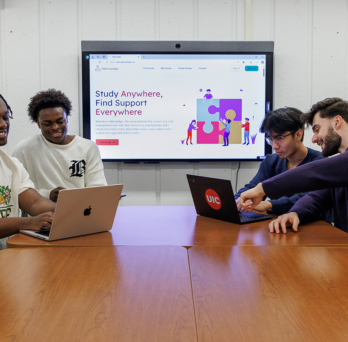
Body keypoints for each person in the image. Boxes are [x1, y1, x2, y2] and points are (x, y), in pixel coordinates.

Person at [239, 97, 348, 233]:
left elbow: (312, 173)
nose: (313, 139)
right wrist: (295, 213)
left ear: (337, 122)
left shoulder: (335, 165)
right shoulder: (339, 171)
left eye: (317, 129)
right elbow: (318, 197)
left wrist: (262, 189)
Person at [12, 89, 107, 203]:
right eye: (47, 124)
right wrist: (48, 194)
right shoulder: (24, 148)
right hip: (39, 217)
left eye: (60, 121)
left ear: (67, 119)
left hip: (80, 215)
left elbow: (98, 189)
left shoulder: (88, 147)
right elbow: (15, 189)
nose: (55, 127)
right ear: (38, 123)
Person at [235, 107, 329, 216]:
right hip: (278, 226)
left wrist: (268, 205)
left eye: (279, 138)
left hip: (314, 226)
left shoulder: (320, 163)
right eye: (270, 138)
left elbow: (306, 199)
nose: (274, 145)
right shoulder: (270, 161)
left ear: (298, 135)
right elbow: (252, 188)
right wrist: (237, 200)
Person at [0, 94, 55, 241]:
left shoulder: (12, 166)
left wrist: (73, 210)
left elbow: (35, 203)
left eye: (5, 117)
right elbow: (31, 218)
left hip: (9, 257)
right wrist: (29, 222)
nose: (2, 124)